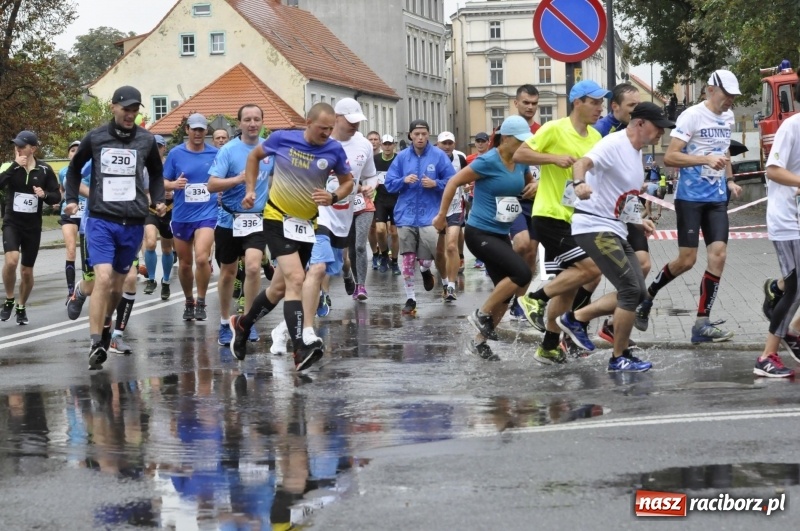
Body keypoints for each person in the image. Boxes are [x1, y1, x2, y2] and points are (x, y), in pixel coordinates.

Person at [229, 102, 353, 371]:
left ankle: (242, 324)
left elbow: (348, 182)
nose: (327, 134)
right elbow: (253, 158)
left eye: (331, 129)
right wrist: (250, 190)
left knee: (279, 288)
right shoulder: (282, 138)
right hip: (276, 218)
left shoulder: (333, 149)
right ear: (308, 122)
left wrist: (333, 196)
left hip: (306, 223)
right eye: (322, 128)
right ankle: (300, 349)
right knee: (297, 278)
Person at [555, 102, 673, 372]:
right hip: (593, 226)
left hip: (614, 227)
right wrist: (578, 183)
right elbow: (583, 163)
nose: (661, 135)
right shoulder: (614, 144)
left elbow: (621, 197)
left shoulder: (637, 155)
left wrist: (638, 220)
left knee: (638, 291)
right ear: (641, 123)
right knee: (631, 290)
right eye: (658, 129)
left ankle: (576, 319)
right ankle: (617, 356)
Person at [633, 70, 743, 344]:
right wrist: (704, 159)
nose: (730, 101)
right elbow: (670, 157)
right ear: (710, 90)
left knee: (719, 255)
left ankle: (702, 323)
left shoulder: (727, 117)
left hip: (717, 198)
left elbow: (724, 151)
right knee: (687, 260)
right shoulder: (691, 115)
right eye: (727, 95)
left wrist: (730, 180)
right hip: (690, 198)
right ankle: (647, 297)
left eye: (733, 96)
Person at [64, 85, 166, 369]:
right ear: (113, 107)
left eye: (135, 110)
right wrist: (72, 199)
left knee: (118, 287)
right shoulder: (96, 137)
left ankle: (106, 326)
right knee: (105, 277)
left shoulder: (146, 140)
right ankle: (96, 342)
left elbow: (157, 174)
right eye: (126, 109)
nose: (130, 115)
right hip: (101, 220)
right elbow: (73, 169)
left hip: (132, 222)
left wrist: (158, 199)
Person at [512, 79, 607, 364]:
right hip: (550, 215)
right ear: (577, 102)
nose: (599, 108)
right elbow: (520, 154)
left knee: (567, 288)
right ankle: (533, 299)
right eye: (595, 102)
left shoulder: (595, 138)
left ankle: (549, 346)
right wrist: (552, 158)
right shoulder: (554, 128)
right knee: (592, 268)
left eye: (602, 102)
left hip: (577, 218)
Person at [433, 116, 535, 360]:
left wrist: (535, 186)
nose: (524, 145)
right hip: (480, 233)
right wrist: (441, 215)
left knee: (506, 292)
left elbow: (530, 183)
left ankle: (479, 342)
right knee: (522, 274)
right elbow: (454, 182)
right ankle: (482, 313)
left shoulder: (521, 162)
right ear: (506, 138)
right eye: (521, 141)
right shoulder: (488, 160)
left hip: (501, 233)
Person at [208, 104, 272, 347]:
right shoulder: (228, 150)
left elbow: (278, 178)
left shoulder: (269, 149)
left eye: (257, 119)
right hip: (228, 219)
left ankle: (247, 321)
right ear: (240, 123)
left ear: (262, 121)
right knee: (228, 273)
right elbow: (211, 185)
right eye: (247, 119)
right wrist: (238, 179)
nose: (252, 123)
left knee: (254, 268)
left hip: (256, 219)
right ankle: (225, 321)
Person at [302, 98, 373, 319]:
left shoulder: (364, 145)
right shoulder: (318, 143)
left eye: (358, 121)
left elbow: (369, 175)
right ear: (336, 118)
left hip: (345, 213)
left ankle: (343, 275)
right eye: (350, 121)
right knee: (319, 264)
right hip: (318, 213)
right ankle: (319, 300)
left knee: (339, 259)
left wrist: (370, 186)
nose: (355, 125)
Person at [384, 119, 455, 314]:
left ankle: (426, 271)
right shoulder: (401, 158)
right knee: (407, 257)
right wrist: (403, 180)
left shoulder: (439, 156)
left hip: (430, 215)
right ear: (410, 136)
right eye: (417, 134)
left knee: (427, 259)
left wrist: (436, 184)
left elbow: (452, 180)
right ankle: (410, 298)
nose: (421, 137)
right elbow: (389, 183)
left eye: (424, 134)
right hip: (405, 214)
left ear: (428, 135)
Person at [752, 107, 800, 377]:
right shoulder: (792, 126)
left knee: (795, 284)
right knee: (796, 288)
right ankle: (766, 356)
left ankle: (777, 292)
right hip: (788, 220)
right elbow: (772, 170)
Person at [0, 130, 61, 324]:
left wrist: (44, 195)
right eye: (15, 146)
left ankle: (21, 305)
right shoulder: (9, 166)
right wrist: (15, 167)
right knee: (11, 261)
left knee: (26, 271)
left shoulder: (44, 169)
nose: (17, 149)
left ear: (33, 149)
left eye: (21, 146)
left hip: (32, 226)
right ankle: (9, 299)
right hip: (12, 222)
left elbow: (56, 196)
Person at [164, 113, 218, 321]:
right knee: (185, 264)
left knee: (202, 257)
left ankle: (202, 300)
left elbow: (223, 177)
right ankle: (189, 300)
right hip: (182, 215)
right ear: (187, 130)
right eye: (194, 129)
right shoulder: (176, 154)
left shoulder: (215, 153)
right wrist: (173, 185)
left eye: (201, 129)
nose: (197, 133)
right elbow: (162, 181)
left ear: (206, 131)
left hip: (207, 213)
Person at [506, 84, 543, 303]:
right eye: (526, 103)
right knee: (520, 244)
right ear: (516, 103)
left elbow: (553, 165)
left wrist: (540, 183)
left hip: (537, 199)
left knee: (530, 251)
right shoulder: (504, 131)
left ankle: (520, 301)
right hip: (510, 199)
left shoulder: (544, 131)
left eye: (534, 104)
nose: (530, 107)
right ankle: (508, 282)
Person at [435, 131, 467, 301]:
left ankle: (452, 287)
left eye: (450, 143)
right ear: (438, 144)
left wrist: (467, 186)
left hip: (454, 207)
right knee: (439, 252)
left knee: (452, 246)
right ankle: (444, 281)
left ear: (454, 144)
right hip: (435, 208)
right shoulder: (431, 157)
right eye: (444, 143)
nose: (447, 147)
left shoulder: (460, 157)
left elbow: (467, 175)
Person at [142, 134, 174, 300]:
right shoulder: (144, 166)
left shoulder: (171, 163)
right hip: (151, 209)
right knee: (151, 243)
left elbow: (181, 184)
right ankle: (152, 279)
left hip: (169, 209)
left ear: (164, 148)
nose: (156, 149)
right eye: (153, 146)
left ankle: (166, 281)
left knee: (167, 248)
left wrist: (172, 190)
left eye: (159, 146)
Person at [58, 140, 83, 298]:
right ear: (68, 154)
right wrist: (59, 200)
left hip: (88, 213)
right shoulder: (63, 171)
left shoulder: (91, 170)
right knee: (71, 250)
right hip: (69, 213)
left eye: (78, 150)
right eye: (72, 150)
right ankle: (70, 291)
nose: (75, 152)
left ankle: (92, 284)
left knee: (90, 254)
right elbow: (62, 190)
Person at [373, 134, 401, 275]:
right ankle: (384, 256)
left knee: (394, 233)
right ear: (381, 145)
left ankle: (395, 262)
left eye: (390, 144)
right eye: (385, 144)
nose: (387, 147)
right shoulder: (375, 159)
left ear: (394, 145)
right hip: (381, 199)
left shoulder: (399, 160)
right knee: (380, 230)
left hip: (396, 199)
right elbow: (369, 176)